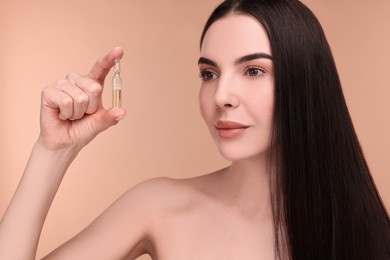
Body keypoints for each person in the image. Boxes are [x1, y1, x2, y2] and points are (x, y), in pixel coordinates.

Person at [1, 0, 389, 259]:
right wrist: (52, 151)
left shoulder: (360, 228)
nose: (221, 95)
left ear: (306, 81)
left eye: (253, 70)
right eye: (209, 73)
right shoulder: (158, 206)